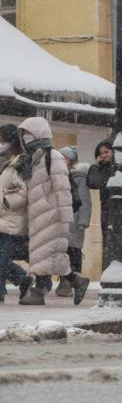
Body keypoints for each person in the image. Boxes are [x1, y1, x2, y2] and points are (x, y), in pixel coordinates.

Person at [17, 117, 89, 305]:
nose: (25, 138)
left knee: (42, 253)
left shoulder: (52, 157)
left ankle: (39, 291)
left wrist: (65, 217)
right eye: (23, 134)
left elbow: (62, 187)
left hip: (52, 216)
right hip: (39, 215)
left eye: (28, 134)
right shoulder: (33, 159)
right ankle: (77, 281)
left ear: (39, 134)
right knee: (52, 255)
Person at [55, 146, 92, 297]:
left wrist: (83, 221)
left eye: (63, 158)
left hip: (75, 220)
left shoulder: (78, 176)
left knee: (73, 250)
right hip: (64, 219)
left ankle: (69, 283)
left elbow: (84, 200)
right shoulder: (62, 174)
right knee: (64, 251)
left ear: (70, 160)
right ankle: (66, 283)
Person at [0, 124, 31, 303]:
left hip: (11, 217)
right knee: (1, 256)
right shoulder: (7, 163)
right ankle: (22, 278)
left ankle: (0, 291)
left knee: (2, 257)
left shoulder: (19, 163)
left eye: (2, 139)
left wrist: (7, 203)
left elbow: (24, 192)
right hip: (3, 216)